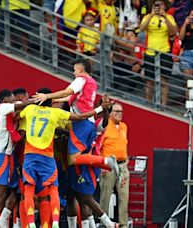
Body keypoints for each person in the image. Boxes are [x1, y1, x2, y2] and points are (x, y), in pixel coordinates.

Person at [21, 88, 112, 228]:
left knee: (82, 197)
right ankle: (57, 223)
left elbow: (101, 125)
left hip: (69, 165)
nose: (58, 104)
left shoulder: (31, 110)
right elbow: (79, 119)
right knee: (65, 195)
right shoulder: (58, 115)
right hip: (54, 162)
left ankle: (108, 224)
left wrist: (103, 109)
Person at [33, 59, 119, 171]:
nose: (73, 73)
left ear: (80, 69)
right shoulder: (92, 82)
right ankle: (108, 167)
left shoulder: (81, 79)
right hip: (90, 124)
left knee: (73, 159)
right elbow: (70, 97)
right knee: (84, 158)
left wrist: (47, 96)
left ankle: (107, 161)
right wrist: (53, 99)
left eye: (74, 70)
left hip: (81, 123)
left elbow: (67, 92)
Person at [0, 89, 35, 228]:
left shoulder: (0, 109)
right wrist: (36, 101)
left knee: (2, 193)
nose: (14, 102)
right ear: (4, 101)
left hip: (2, 156)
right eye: (12, 100)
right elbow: (19, 106)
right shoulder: (2, 107)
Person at [139, 0, 177, 105]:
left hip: (164, 51)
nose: (159, 6)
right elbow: (141, 29)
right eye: (157, 5)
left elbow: (173, 31)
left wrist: (164, 17)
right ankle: (148, 104)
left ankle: (163, 105)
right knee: (149, 81)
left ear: (165, 6)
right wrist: (151, 15)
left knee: (164, 81)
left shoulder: (169, 17)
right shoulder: (147, 17)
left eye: (161, 4)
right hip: (150, 52)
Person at [99, 103, 130, 228]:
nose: (119, 114)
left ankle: (123, 224)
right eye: (116, 111)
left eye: (121, 111)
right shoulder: (105, 127)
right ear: (110, 113)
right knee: (105, 196)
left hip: (122, 165)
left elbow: (124, 145)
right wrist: (101, 165)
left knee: (124, 197)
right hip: (108, 166)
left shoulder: (124, 126)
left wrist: (126, 161)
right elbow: (98, 147)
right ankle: (104, 223)